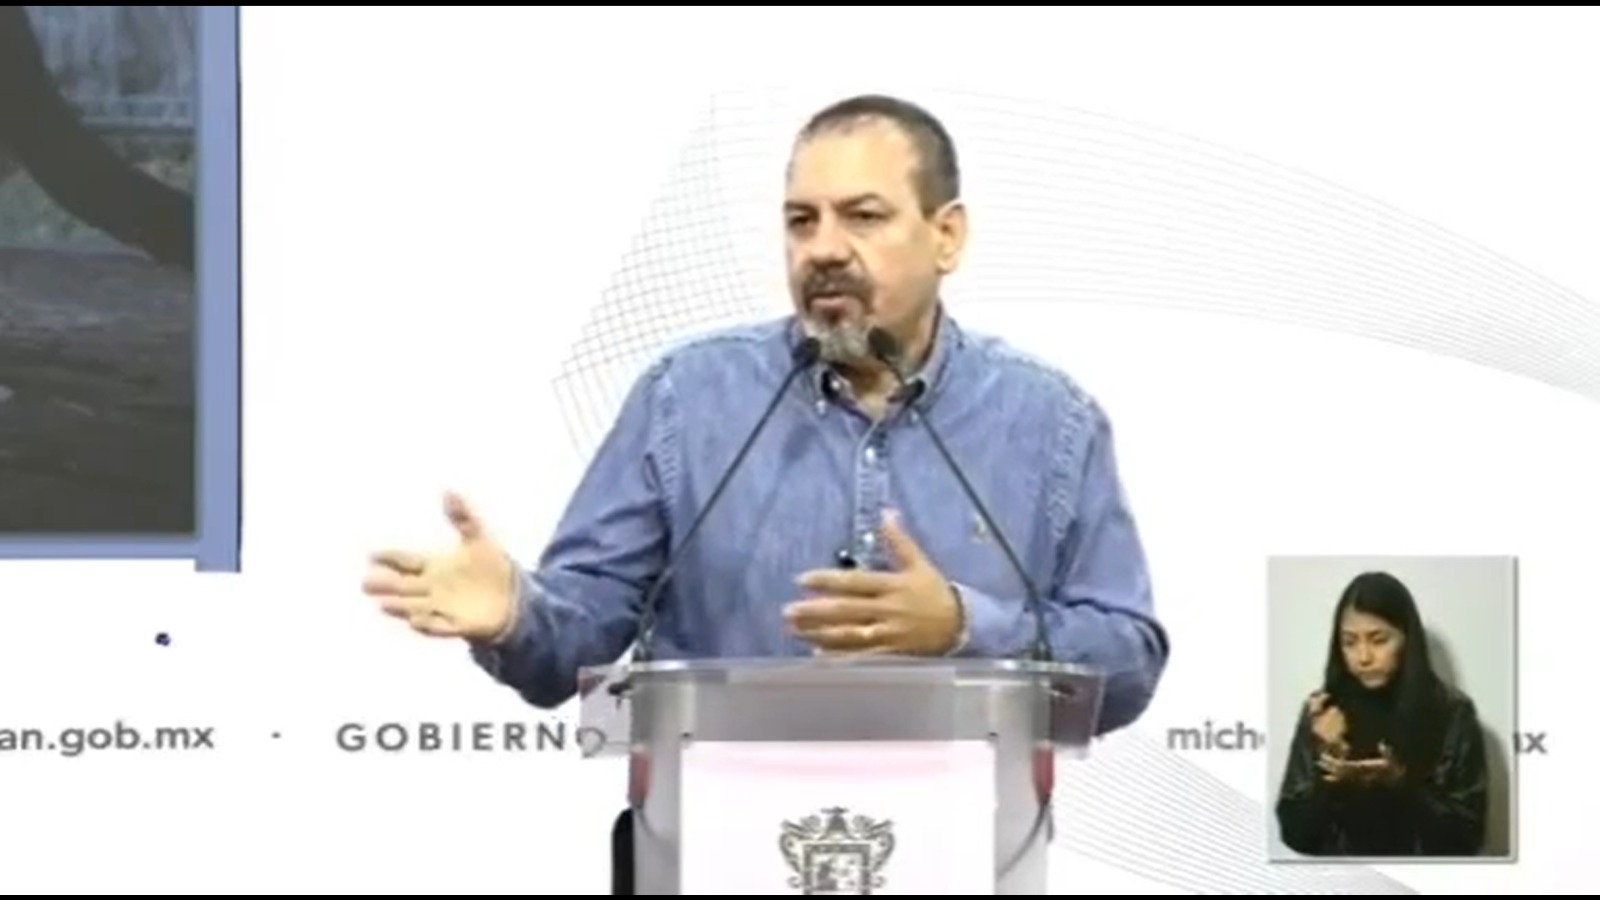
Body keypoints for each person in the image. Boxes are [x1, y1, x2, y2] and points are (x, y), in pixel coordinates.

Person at [361, 93, 1168, 729]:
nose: (823, 248)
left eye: (864, 216)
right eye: (800, 220)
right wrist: (516, 615)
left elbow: (1128, 662)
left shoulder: (1049, 421)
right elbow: (577, 642)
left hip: (965, 842)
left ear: (946, 235)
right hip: (712, 840)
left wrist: (965, 625)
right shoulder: (688, 398)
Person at [1274, 571, 1490, 858]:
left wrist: (1400, 783)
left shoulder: (1451, 713)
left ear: (1407, 639)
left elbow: (1467, 839)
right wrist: (1327, 763)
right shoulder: (1325, 712)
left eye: (1378, 640)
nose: (1363, 657)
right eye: (1350, 642)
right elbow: (1295, 835)